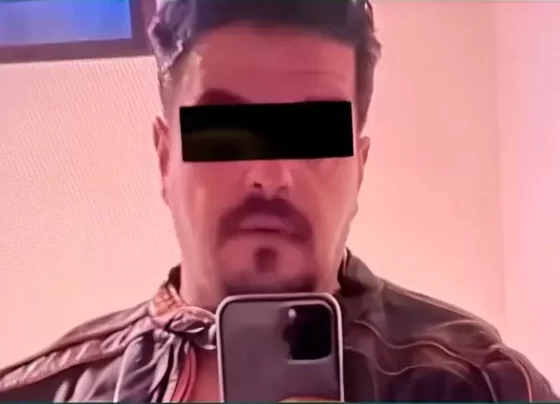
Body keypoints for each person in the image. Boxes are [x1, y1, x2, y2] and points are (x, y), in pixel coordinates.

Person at [0, 0, 557, 401]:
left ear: (359, 169)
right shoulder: (38, 395)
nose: (269, 175)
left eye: (312, 132)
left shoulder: (487, 387)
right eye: (225, 132)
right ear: (165, 158)